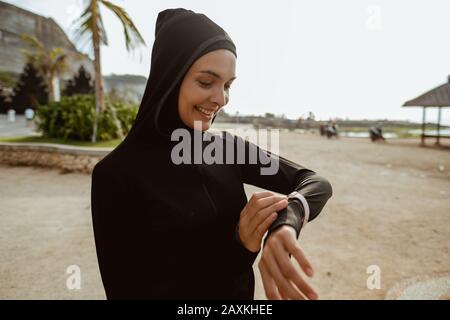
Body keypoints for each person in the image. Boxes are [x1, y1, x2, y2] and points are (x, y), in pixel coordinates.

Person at [91, 8, 332, 300]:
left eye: (228, 85)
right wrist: (240, 245)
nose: (221, 99)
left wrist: (286, 222)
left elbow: (314, 182)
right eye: (206, 82)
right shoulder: (115, 175)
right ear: (170, 77)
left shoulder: (226, 148)